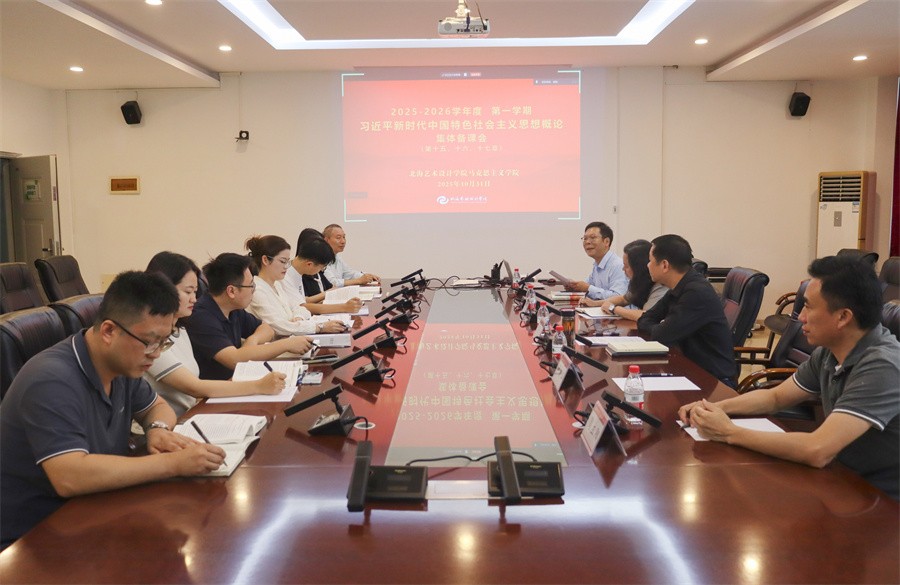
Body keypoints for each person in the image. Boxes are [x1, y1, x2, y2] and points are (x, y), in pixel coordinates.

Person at [0, 271, 226, 549]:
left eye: (164, 341)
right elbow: (69, 476)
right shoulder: (50, 379)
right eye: (150, 341)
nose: (156, 353)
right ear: (109, 331)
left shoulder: (122, 365)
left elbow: (157, 406)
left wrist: (157, 429)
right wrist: (173, 464)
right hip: (31, 539)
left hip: (93, 511)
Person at [678, 256, 899, 499]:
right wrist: (713, 407)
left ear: (843, 317)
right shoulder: (830, 351)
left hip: (880, 500)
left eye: (809, 307)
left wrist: (728, 432)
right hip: (841, 480)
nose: (801, 317)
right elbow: (775, 397)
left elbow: (818, 449)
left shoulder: (882, 365)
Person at [144, 251, 287, 418]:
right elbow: (194, 387)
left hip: (194, 412)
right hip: (172, 422)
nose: (194, 299)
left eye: (195, 292)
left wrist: (251, 342)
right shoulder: (150, 338)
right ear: (163, 290)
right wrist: (258, 386)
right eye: (188, 292)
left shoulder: (180, 328)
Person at [183, 252, 313, 380]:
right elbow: (234, 360)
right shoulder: (201, 316)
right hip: (219, 388)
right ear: (231, 291)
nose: (253, 290)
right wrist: (287, 344)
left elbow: (267, 328)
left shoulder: (233, 308)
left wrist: (252, 340)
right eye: (251, 285)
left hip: (238, 380)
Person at [637, 234, 737, 386]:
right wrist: (660, 327)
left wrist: (661, 328)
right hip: (690, 370)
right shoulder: (679, 286)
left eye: (650, 261)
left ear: (664, 265)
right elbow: (645, 319)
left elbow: (661, 335)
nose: (648, 265)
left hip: (713, 381)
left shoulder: (696, 292)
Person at [244, 235, 346, 336]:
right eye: (282, 261)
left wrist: (298, 318)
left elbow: (300, 308)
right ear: (265, 260)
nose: (286, 266)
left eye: (287, 261)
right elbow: (279, 326)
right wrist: (320, 327)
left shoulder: (277, 284)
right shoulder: (257, 290)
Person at [580, 239, 668, 320]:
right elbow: (624, 299)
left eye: (626, 266)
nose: (623, 269)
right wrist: (595, 303)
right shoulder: (641, 282)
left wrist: (614, 309)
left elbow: (646, 315)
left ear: (639, 268)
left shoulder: (661, 285)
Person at [283, 233, 363, 316]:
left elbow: (302, 301)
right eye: (322, 268)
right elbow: (302, 307)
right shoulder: (285, 275)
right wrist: (344, 307)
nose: (321, 271)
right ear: (309, 264)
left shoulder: (297, 272)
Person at [564, 221, 628, 300]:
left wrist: (587, 288)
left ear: (606, 242)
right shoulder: (597, 264)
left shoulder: (618, 265)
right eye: (585, 238)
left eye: (593, 238)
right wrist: (575, 287)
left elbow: (618, 297)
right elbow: (586, 286)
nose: (587, 242)